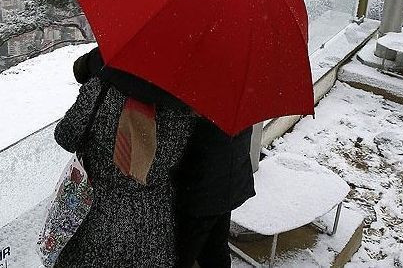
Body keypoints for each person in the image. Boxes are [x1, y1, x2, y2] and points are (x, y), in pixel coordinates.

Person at [53, 47, 196, 267]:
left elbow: (65, 136)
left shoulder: (103, 88)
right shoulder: (186, 104)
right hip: (153, 224)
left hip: (96, 217)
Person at [172, 120, 256, 267]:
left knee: (183, 254)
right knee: (215, 248)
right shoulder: (237, 106)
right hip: (226, 185)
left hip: (201, 192)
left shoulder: (202, 109)